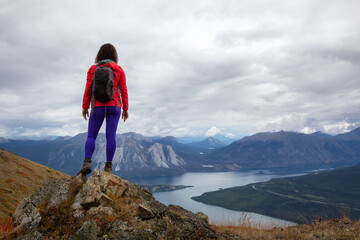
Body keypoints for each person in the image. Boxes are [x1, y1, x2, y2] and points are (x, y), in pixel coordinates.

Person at [78, 43, 128, 175]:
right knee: (110, 137)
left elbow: (88, 90)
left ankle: (87, 162)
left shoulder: (92, 69)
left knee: (91, 136)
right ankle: (108, 167)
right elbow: (123, 91)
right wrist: (125, 109)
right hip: (114, 106)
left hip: (97, 107)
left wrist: (85, 107)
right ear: (114, 55)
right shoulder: (119, 70)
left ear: (99, 55)